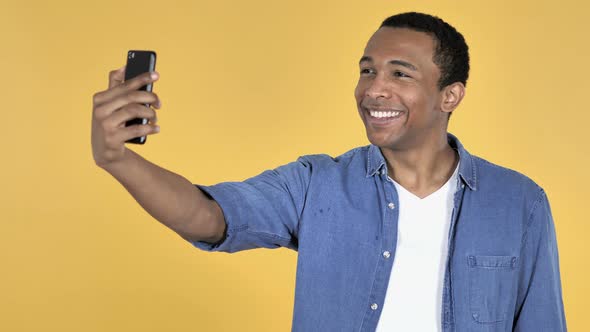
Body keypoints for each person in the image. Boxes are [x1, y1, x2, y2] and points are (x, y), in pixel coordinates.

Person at [91, 11, 567, 332]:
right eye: (367, 71)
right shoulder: (315, 183)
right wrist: (120, 159)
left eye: (400, 74)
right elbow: (210, 216)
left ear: (451, 95)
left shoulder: (519, 202)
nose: (374, 90)